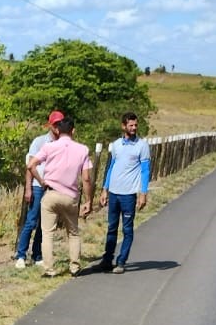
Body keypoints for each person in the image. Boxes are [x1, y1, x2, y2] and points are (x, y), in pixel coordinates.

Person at [27, 116, 92, 277]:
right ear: (73, 131)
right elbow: (86, 178)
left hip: (50, 193)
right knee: (73, 233)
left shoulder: (49, 147)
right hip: (70, 196)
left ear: (58, 130)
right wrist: (88, 200)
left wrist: (41, 180)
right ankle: (75, 267)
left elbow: (31, 165)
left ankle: (49, 269)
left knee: (47, 233)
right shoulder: (82, 149)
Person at [98, 111, 150, 273]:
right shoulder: (116, 145)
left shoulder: (142, 146)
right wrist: (105, 189)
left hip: (129, 194)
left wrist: (143, 193)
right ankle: (107, 259)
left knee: (127, 229)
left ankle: (121, 261)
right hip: (114, 192)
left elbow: (145, 170)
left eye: (135, 125)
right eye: (131, 125)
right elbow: (111, 167)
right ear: (123, 126)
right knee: (112, 227)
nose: (134, 128)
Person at [14, 111, 64, 269]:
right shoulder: (39, 141)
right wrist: (28, 188)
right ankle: (21, 255)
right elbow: (30, 166)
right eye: (55, 124)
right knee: (31, 220)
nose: (58, 127)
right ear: (50, 125)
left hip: (53, 187)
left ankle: (37, 255)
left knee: (46, 222)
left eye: (60, 124)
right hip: (38, 186)